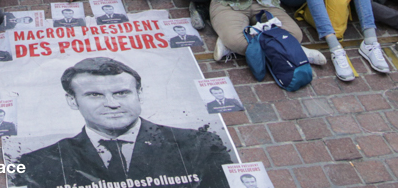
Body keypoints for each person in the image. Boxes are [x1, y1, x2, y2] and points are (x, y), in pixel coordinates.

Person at [14, 56, 234, 188]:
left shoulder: (200, 144)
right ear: (72, 101)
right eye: (95, 95)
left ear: (139, 94)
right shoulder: (38, 162)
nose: (111, 104)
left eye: (121, 93)